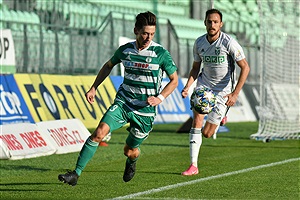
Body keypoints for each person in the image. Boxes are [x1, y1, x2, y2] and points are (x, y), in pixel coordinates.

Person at [58, 11, 178, 186]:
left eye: (152, 34)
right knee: (99, 133)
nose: (148, 37)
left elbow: (174, 80)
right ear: (136, 30)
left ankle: (131, 162)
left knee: (130, 151)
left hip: (145, 111)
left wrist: (160, 97)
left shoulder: (160, 53)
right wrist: (94, 87)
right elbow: (108, 66)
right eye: (145, 33)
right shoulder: (125, 50)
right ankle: (75, 173)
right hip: (123, 103)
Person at [181, 8, 250, 176]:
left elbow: (245, 67)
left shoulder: (229, 43)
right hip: (204, 87)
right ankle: (193, 165)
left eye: (215, 22)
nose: (212, 25)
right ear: (205, 23)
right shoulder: (199, 43)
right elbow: (195, 68)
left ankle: (221, 117)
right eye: (209, 21)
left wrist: (234, 94)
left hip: (223, 91)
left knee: (207, 133)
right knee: (196, 122)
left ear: (221, 24)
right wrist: (188, 86)